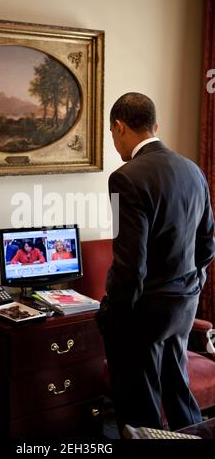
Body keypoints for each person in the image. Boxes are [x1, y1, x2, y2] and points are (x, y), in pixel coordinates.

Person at [95, 92, 215, 436]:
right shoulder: (193, 170)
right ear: (155, 126)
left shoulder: (124, 178)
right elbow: (208, 242)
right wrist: (190, 288)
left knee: (139, 407)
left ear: (119, 127)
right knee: (178, 390)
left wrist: (112, 314)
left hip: (142, 313)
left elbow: (130, 263)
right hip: (183, 306)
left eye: (112, 133)